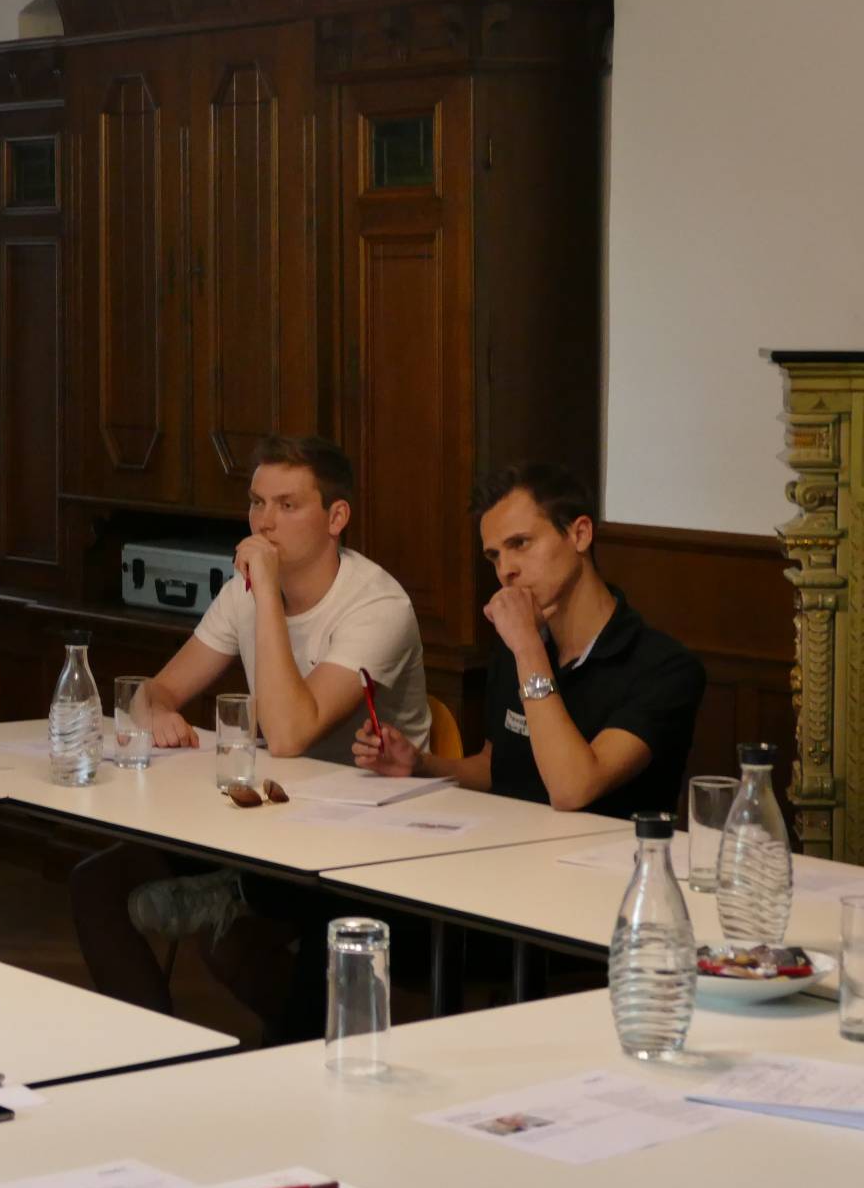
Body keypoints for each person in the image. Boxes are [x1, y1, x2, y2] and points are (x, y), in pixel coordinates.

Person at [71, 434, 429, 1025]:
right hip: (274, 815)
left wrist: (265, 593)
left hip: (365, 838)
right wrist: (156, 711)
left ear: (336, 517)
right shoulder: (247, 592)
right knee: (96, 885)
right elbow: (151, 691)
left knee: (229, 940)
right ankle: (151, 1060)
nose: (265, 524)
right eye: (257, 503)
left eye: (288, 506)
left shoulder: (376, 605)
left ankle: (304, 1050)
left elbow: (290, 735)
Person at [357, 462, 706, 819]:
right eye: (495, 555)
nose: (505, 569)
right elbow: (497, 767)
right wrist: (421, 765)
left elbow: (573, 789)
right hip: (508, 850)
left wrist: (527, 647)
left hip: (609, 864)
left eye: (520, 544)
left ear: (580, 534)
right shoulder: (517, 645)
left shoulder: (663, 666)